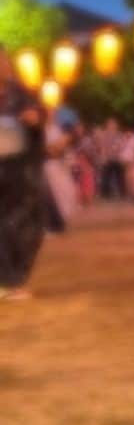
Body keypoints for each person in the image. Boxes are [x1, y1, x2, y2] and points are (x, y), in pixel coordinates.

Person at [0, 46, 45, 300]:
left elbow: (40, 116)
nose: (4, 65)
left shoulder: (21, 93)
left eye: (4, 60)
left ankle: (13, 277)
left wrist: (35, 119)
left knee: (28, 223)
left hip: (19, 167)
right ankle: (6, 281)